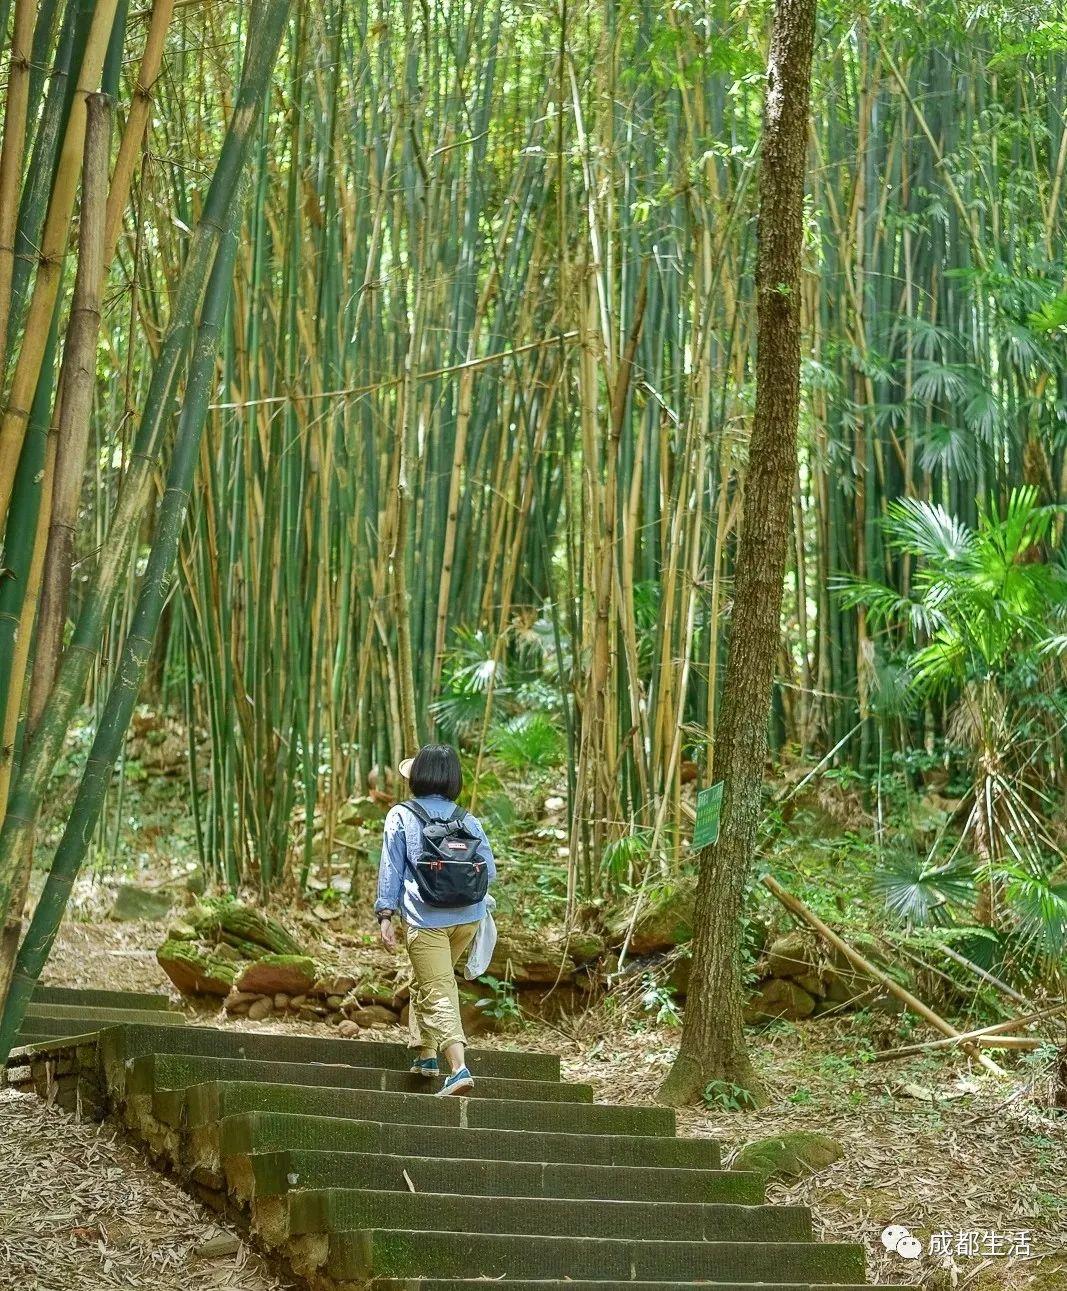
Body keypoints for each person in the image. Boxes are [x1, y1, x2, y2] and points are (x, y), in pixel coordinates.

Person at [375, 743, 496, 1095]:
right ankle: (425, 1052)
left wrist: (385, 914)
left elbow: (391, 869)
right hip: (468, 920)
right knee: (428, 978)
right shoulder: (467, 819)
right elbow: (489, 869)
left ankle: (458, 1067)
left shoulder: (401, 815)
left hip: (426, 919)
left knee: (438, 986)